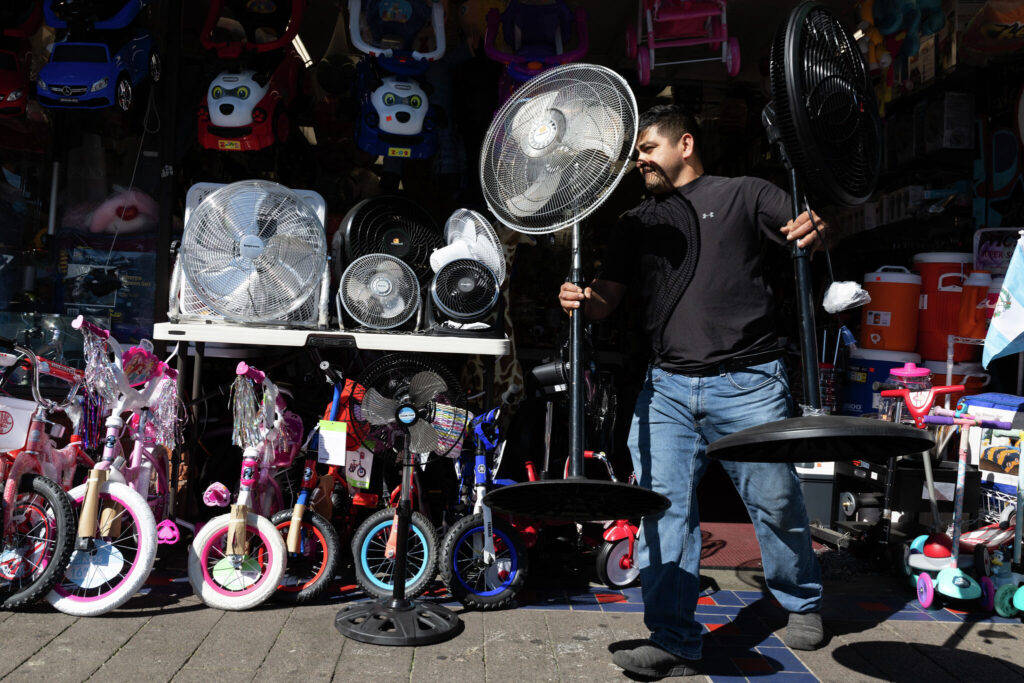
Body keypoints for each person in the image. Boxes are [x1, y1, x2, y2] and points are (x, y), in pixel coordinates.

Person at [558, 104, 827, 678]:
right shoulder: (637, 223)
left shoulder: (745, 193)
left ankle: (799, 598)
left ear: (684, 143)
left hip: (750, 381)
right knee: (663, 512)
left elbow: (808, 232)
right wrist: (584, 301)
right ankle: (676, 637)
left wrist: (815, 227)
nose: (640, 162)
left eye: (647, 150)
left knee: (776, 501)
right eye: (636, 155)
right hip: (668, 391)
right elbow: (609, 297)